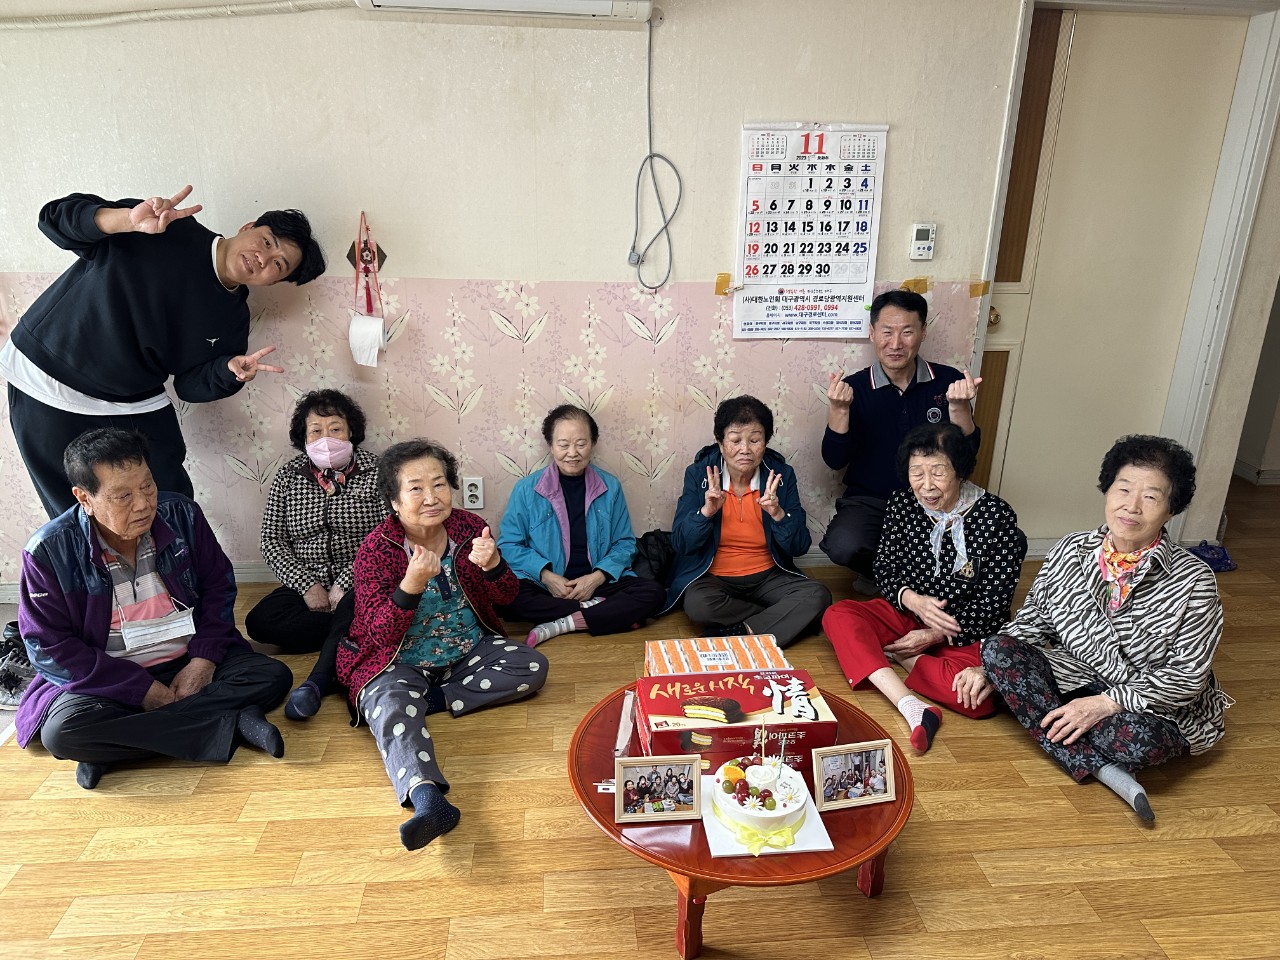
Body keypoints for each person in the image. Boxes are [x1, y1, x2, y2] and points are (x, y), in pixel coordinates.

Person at [1, 186, 326, 519]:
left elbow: (189, 385)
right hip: (47, 371)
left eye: (278, 265)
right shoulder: (166, 225)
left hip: (130, 394)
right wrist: (124, 221)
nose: (263, 258)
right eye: (267, 242)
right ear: (248, 227)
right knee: (77, 513)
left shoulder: (233, 320)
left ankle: (175, 553)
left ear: (274, 283)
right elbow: (54, 220)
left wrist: (228, 372)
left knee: (170, 495)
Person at [955, 435, 1230, 823]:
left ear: (1171, 509)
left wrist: (1105, 703)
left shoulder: (1195, 580)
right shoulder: (1070, 550)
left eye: (1151, 497)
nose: (1132, 506)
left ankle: (1052, 721)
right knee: (997, 650)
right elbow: (1034, 620)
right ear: (1108, 490)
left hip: (1147, 702)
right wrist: (989, 668)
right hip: (1075, 675)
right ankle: (1102, 768)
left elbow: (1187, 677)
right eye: (1124, 489)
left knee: (1141, 742)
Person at [12, 428, 292, 789]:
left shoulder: (182, 515)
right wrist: (139, 689)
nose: (143, 504)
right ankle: (232, 725)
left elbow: (218, 588)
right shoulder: (49, 551)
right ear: (84, 498)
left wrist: (203, 661)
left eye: (147, 486)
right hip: (108, 679)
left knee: (271, 676)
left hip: (187, 658)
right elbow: (49, 647)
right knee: (63, 733)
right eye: (123, 496)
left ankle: (112, 748)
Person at [337, 439, 549, 850]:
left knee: (532, 666)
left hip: (468, 651)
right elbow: (379, 634)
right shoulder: (376, 551)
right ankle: (428, 801)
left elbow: (507, 597)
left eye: (439, 484)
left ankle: (432, 701)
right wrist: (410, 585)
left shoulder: (470, 529)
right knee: (389, 706)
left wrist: (494, 566)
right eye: (415, 488)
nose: (431, 497)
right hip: (399, 661)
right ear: (394, 502)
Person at [823, 423, 1027, 752]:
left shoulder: (997, 516)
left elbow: (994, 603)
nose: (927, 485)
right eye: (916, 473)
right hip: (909, 615)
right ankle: (911, 706)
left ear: (960, 471)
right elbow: (885, 568)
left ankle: (902, 656)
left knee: (979, 700)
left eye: (938, 472)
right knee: (838, 615)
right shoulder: (902, 503)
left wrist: (935, 634)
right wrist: (913, 600)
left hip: (965, 629)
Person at [820, 288, 982, 592]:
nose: (895, 344)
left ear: (923, 332)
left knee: (995, 539)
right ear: (872, 333)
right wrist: (839, 410)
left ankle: (916, 580)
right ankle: (886, 576)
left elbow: (968, 456)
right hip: (871, 499)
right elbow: (834, 460)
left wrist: (960, 408)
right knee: (844, 544)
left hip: (936, 497)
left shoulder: (947, 381)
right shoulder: (854, 388)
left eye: (907, 332)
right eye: (887, 332)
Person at [245, 390, 385, 720]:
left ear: (351, 431)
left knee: (356, 606)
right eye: (316, 431)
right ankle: (354, 635)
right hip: (307, 584)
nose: (326, 438)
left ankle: (320, 676)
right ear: (303, 437)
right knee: (259, 622)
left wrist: (346, 582)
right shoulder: (288, 476)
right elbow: (271, 541)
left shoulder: (377, 471)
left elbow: (385, 536)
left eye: (335, 428)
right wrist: (308, 586)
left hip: (361, 581)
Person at [664, 396, 831, 647]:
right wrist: (706, 512)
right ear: (721, 443)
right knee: (699, 606)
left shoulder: (781, 476)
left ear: (765, 442)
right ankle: (779, 619)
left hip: (769, 576)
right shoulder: (699, 474)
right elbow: (681, 543)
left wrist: (778, 514)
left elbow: (799, 546)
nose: (745, 449)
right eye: (735, 440)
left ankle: (742, 631)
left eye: (754, 440)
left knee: (818, 595)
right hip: (715, 577)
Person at [497, 405, 665, 646]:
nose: (572, 453)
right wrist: (546, 576)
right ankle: (599, 611)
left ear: (592, 443)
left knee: (654, 593)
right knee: (506, 598)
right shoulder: (526, 489)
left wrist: (596, 578)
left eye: (581, 444)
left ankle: (563, 622)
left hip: (599, 583)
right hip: (545, 585)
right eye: (563, 444)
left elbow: (624, 542)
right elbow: (509, 545)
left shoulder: (610, 486)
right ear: (551, 445)